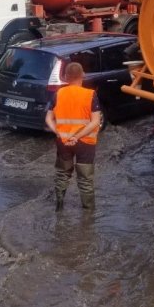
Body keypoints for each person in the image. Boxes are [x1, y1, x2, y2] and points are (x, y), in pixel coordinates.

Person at [45, 62, 102, 211]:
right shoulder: (90, 94)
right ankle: (89, 213)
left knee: (62, 174)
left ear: (66, 77)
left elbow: (48, 119)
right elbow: (95, 121)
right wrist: (77, 136)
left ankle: (59, 207)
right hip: (86, 142)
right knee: (85, 179)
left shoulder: (58, 94)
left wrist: (56, 131)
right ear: (82, 75)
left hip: (63, 141)